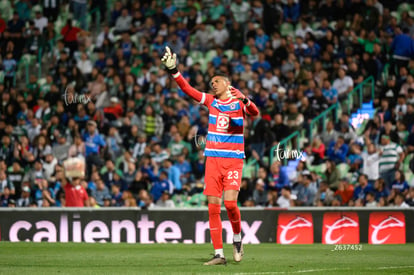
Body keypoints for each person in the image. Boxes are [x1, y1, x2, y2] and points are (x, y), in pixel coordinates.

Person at [161, 46, 259, 265]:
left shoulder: (237, 103)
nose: (212, 84)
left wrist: (244, 99)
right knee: (213, 207)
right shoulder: (211, 101)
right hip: (213, 160)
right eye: (211, 82)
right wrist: (174, 70)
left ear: (228, 84)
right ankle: (219, 255)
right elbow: (188, 89)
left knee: (231, 205)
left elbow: (255, 113)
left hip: (233, 159)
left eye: (216, 81)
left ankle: (237, 238)